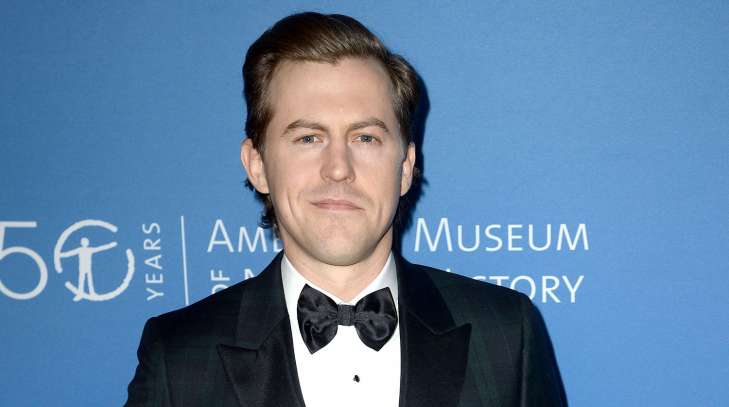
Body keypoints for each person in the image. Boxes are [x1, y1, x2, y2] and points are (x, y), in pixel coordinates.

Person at [125, 12, 566, 407]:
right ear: (257, 165)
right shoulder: (179, 357)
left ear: (406, 167)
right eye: (308, 138)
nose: (338, 168)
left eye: (365, 138)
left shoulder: (505, 336)